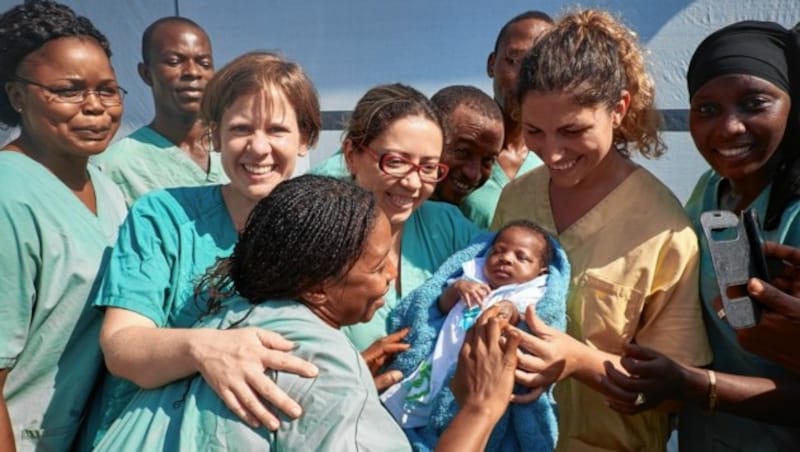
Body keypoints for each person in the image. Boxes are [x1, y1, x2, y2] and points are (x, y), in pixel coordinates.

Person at [94, 175, 524, 452]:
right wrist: (480, 409)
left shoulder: (228, 323)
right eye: (377, 267)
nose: (391, 275)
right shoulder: (322, 366)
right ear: (318, 285)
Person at [491, 9, 712, 451]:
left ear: (620, 109)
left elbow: (673, 393)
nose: (551, 153)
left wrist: (579, 361)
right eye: (534, 130)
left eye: (573, 131)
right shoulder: (516, 199)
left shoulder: (664, 230)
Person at [79, 51, 321, 449]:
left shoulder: (315, 231)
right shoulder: (163, 216)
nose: (258, 148)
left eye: (277, 130)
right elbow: (121, 346)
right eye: (241, 128)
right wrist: (203, 346)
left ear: (305, 138)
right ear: (216, 135)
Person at [599, 21, 800, 451]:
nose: (728, 128)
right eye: (706, 109)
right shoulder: (711, 191)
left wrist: (693, 384)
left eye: (754, 103)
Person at [0, 2, 129, 450]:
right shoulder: (8, 194)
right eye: (69, 90)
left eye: (108, 90)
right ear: (17, 96)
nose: (94, 107)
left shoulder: (107, 189)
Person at [380, 220, 568, 451]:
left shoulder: (534, 292)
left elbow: (537, 325)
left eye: (522, 257)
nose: (506, 258)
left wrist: (512, 312)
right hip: (439, 361)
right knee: (408, 414)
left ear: (541, 270)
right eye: (498, 251)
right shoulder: (473, 273)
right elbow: (438, 306)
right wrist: (458, 288)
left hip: (482, 376)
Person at [337, 83, 484, 352]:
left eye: (428, 167)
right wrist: (359, 373)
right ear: (351, 155)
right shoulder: (316, 237)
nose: (413, 183)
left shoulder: (448, 226)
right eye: (395, 162)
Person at [310, 84, 504, 228]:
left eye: (488, 160)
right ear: (351, 155)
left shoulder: (454, 224)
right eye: (396, 162)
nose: (473, 173)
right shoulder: (321, 200)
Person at [93, 16, 225, 205]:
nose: (193, 72)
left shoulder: (238, 149)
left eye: (204, 63)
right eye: (174, 61)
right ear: (146, 74)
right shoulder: (115, 167)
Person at [458, 11, 553, 229]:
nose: (525, 78)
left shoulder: (560, 159)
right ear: (492, 64)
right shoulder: (456, 148)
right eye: (514, 60)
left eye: (542, 65)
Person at [428, 85, 504, 228]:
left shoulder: (474, 235)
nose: (473, 174)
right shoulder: (383, 214)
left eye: (488, 160)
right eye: (462, 152)